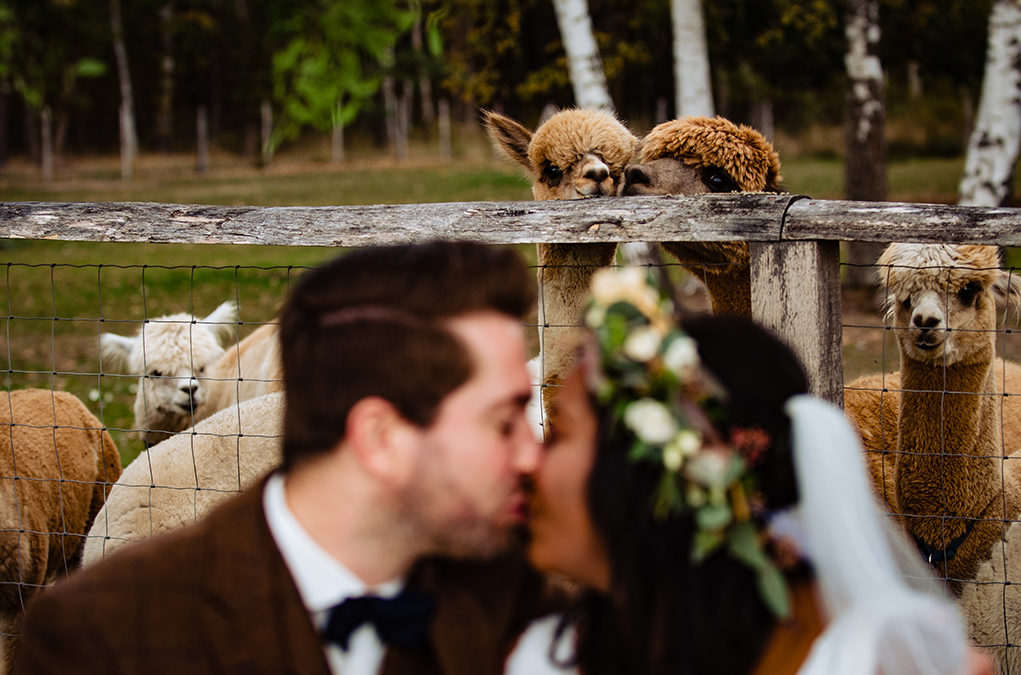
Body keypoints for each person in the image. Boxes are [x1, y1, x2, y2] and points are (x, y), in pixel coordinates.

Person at [15, 240, 560, 675]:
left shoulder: (532, 604)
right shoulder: (105, 636)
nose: (532, 455)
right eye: (502, 423)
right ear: (382, 438)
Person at [506, 266, 994, 675]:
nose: (529, 460)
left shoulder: (859, 663)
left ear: (663, 470)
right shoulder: (544, 656)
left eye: (562, 434)